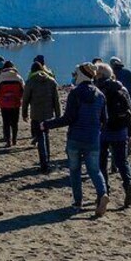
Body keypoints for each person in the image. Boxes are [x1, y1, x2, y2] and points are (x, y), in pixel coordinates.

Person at [41, 63, 109, 217]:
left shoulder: (75, 93)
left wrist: (46, 124)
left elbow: (68, 118)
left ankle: (78, 202)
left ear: (81, 74)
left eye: (76, 73)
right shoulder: (100, 95)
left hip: (75, 138)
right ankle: (102, 193)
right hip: (93, 139)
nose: (74, 76)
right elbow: (105, 120)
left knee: (75, 171)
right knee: (94, 170)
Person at [95, 63, 131, 207]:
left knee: (101, 162)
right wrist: (130, 132)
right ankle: (128, 183)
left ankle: (104, 191)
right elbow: (130, 111)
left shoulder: (99, 90)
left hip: (104, 131)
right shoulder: (122, 88)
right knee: (122, 161)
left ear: (100, 75)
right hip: (121, 130)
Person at [22, 61, 61, 173]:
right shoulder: (51, 81)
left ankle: (44, 163)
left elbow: (25, 100)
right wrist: (58, 115)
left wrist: (24, 114)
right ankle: (47, 160)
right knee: (46, 136)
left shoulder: (30, 82)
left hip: (36, 114)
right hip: (48, 114)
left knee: (40, 138)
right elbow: (56, 100)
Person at [0, 60, 25, 147]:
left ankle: (8, 140)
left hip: (4, 104)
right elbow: (24, 91)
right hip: (15, 103)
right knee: (14, 123)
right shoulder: (18, 77)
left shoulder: (0, 78)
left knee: (6, 122)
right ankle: (14, 139)